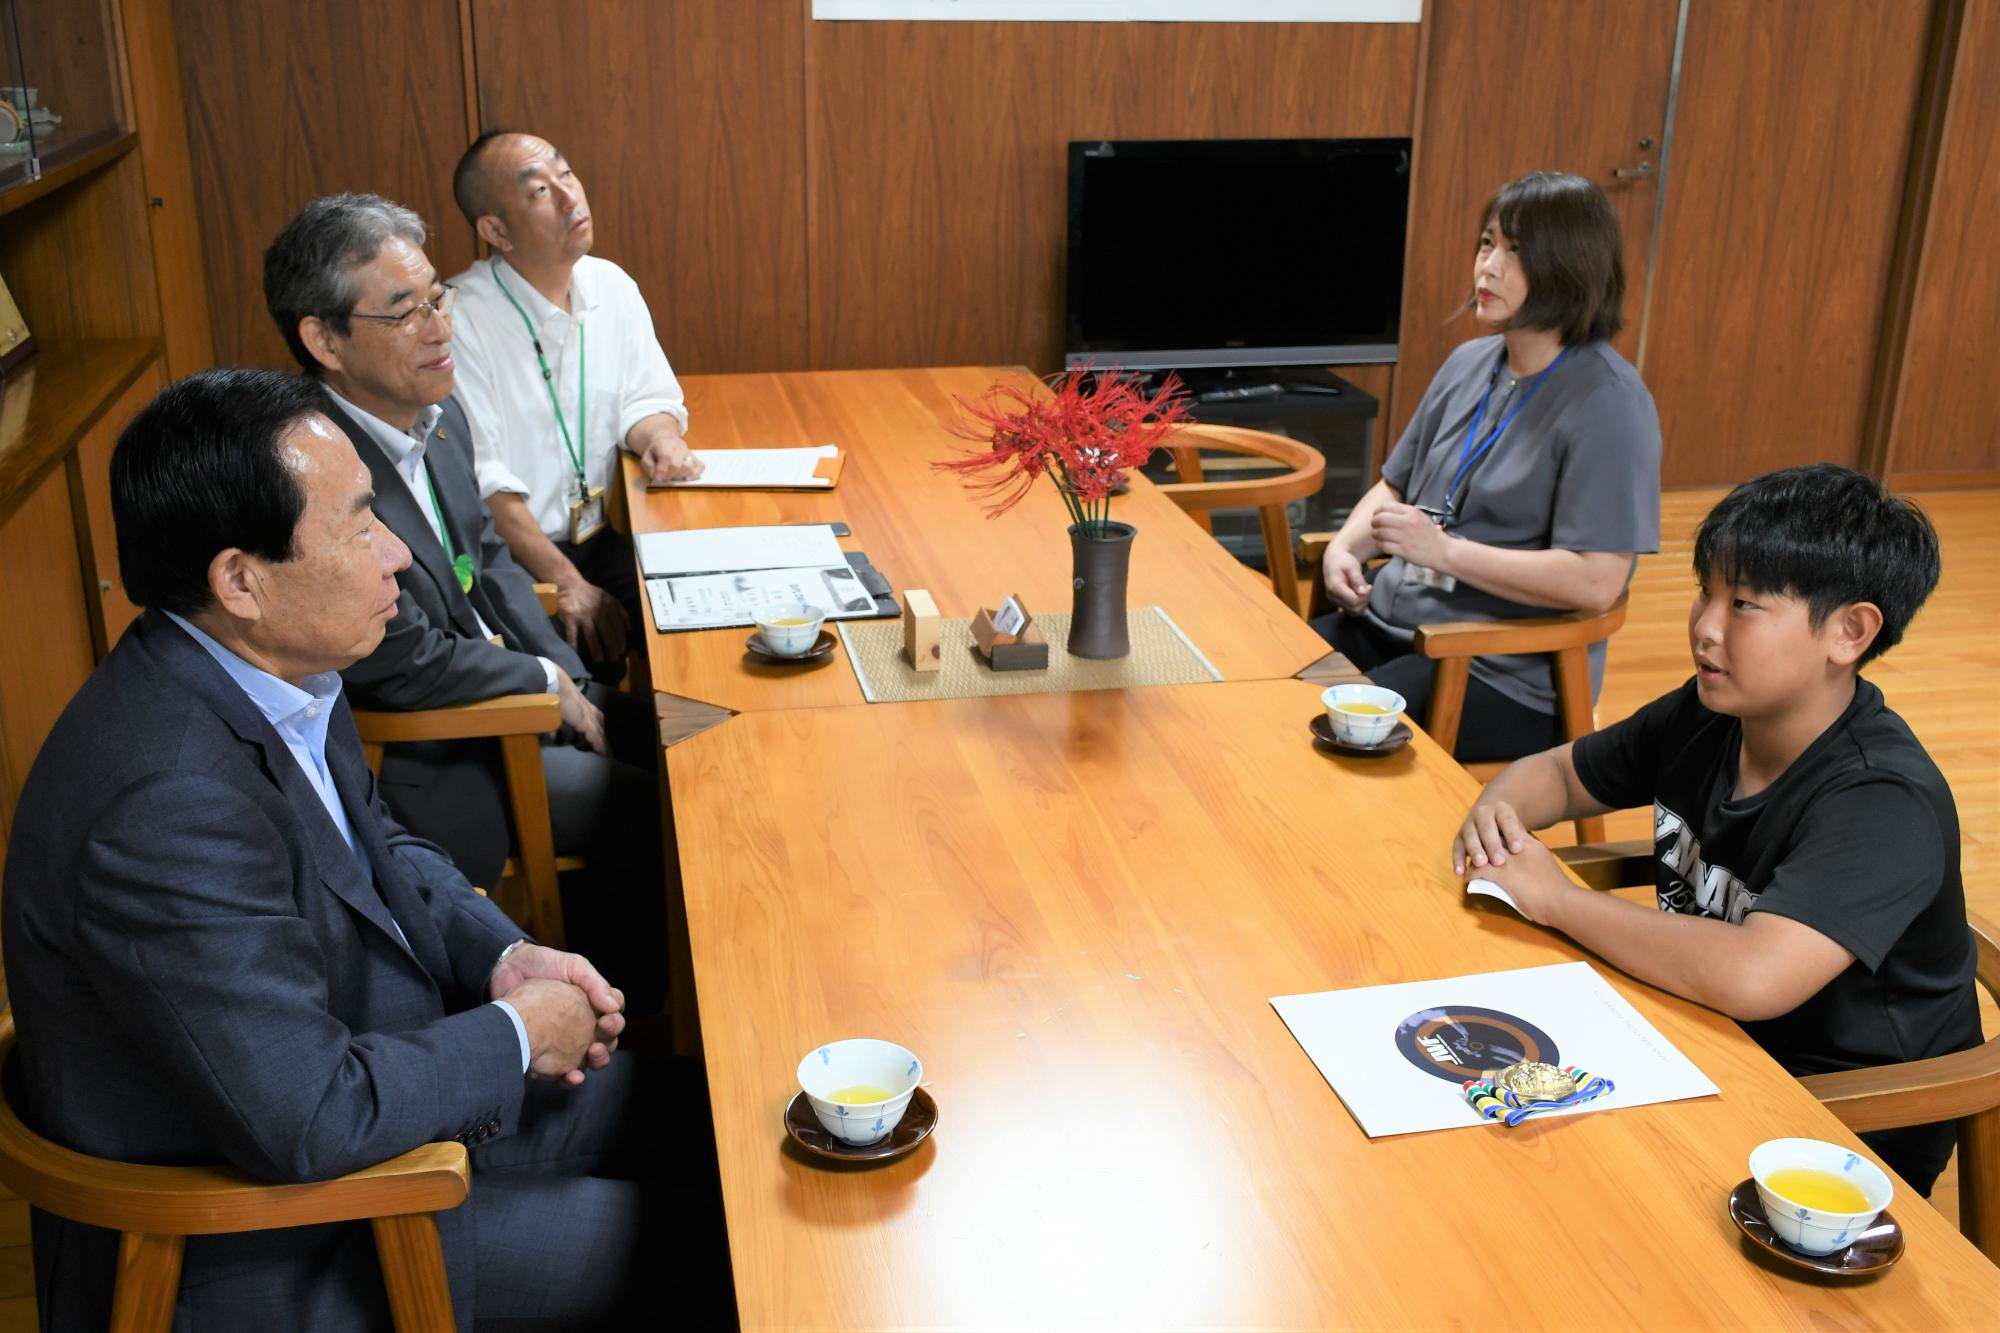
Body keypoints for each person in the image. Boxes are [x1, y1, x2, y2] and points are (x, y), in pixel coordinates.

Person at [0, 369, 728, 1328]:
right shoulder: (165, 803)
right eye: (355, 528)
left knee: (729, 1124)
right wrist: (514, 1036)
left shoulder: (276, 666)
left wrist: (504, 954)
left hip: (380, 1099)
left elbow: (377, 843)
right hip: (276, 1233)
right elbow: (308, 1117)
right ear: (240, 579)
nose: (396, 553)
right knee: (728, 1257)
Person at [1452, 464, 1978, 1195]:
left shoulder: (1883, 799)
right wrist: (1498, 817)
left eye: (1744, 604)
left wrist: (1559, 900)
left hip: (1840, 1119)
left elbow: (1753, 976)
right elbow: (1562, 775)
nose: (1704, 626)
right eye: (1706, 591)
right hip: (1702, 1034)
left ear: (1849, 631)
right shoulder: (1710, 714)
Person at [262, 193, 667, 1005]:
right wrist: (541, 685)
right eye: (405, 311)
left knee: (697, 740)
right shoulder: (312, 473)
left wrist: (569, 680)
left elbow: (489, 561)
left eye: (438, 298)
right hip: (447, 749)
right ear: (324, 340)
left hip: (512, 692)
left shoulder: (436, 413)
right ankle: (635, 1015)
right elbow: (399, 659)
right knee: (664, 809)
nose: (439, 327)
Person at [1314, 171, 1662, 762]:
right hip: (1393, 624)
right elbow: (1395, 484)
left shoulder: (1610, 403)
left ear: (1570, 267)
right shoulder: (1469, 362)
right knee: (1262, 680)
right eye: (1486, 243)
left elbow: (1597, 581)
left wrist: (1445, 553)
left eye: (1515, 251)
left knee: (1325, 728)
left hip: (1496, 671)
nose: (1489, 267)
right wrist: (1344, 548)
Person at [447, 129, 700, 682]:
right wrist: (566, 583)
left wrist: (661, 438)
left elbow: (647, 398)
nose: (570, 197)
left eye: (566, 174)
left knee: (702, 624)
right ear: (495, 231)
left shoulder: (611, 284)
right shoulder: (461, 319)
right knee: (587, 680)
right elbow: (484, 485)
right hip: (513, 559)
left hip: (600, 536)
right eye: (540, 191)